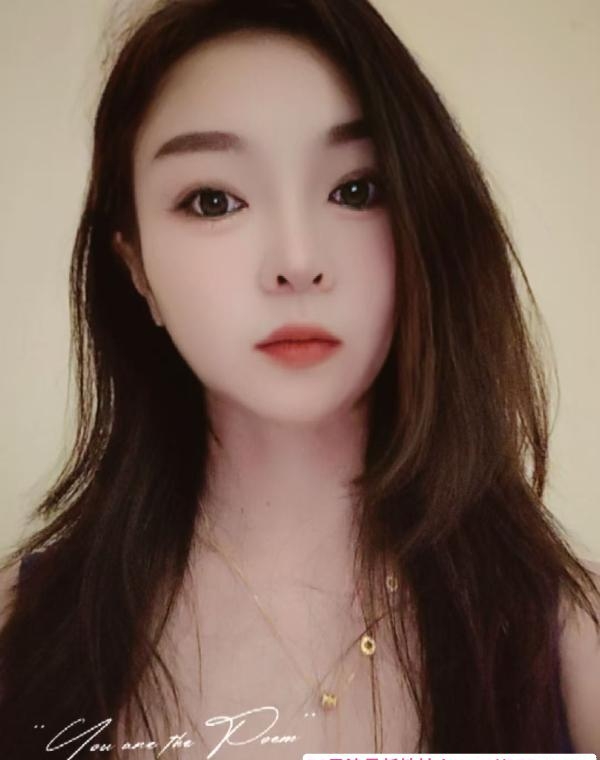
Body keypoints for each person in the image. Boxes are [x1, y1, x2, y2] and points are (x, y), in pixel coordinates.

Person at [0, 0, 599, 757]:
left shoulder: (571, 635)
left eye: (356, 190)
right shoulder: (23, 630)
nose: (297, 260)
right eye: (213, 200)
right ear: (136, 268)